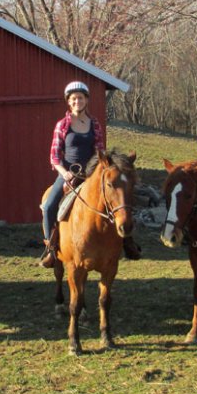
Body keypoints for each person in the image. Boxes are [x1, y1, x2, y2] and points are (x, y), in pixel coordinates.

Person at [39, 81, 141, 268]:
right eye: (74, 98)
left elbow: (100, 152)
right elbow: (54, 156)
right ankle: (51, 249)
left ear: (86, 100)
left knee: (118, 199)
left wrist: (101, 170)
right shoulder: (62, 125)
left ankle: (128, 242)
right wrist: (65, 173)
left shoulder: (94, 124)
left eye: (81, 98)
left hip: (92, 173)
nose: (77, 101)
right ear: (69, 102)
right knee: (49, 206)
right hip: (68, 172)